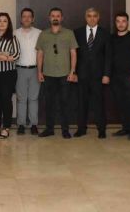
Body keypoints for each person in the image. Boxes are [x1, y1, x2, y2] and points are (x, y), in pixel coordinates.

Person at [36, 7, 78, 139]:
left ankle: (65, 130)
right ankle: (49, 129)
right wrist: (39, 72)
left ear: (62, 18)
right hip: (48, 74)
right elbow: (40, 53)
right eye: (53, 16)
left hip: (65, 74)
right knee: (49, 103)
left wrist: (72, 71)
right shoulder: (43, 34)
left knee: (65, 103)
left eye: (58, 16)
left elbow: (73, 53)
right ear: (49, 18)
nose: (55, 18)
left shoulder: (69, 33)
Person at [102, 12, 130, 140]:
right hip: (115, 76)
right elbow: (108, 57)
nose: (121, 24)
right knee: (120, 102)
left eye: (123, 21)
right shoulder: (111, 38)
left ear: (127, 22)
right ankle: (125, 127)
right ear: (115, 23)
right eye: (118, 21)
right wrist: (107, 75)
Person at [73, 7, 110, 138]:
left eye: (94, 16)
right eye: (89, 16)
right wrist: (74, 72)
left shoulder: (105, 33)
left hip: (98, 75)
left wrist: (106, 74)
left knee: (99, 103)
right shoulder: (77, 32)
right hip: (81, 74)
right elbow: (74, 54)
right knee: (81, 102)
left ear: (98, 17)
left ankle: (101, 129)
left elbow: (108, 55)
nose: (92, 18)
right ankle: (81, 129)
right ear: (85, 18)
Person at [14, 8, 42, 135]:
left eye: (29, 16)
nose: (26, 18)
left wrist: (40, 70)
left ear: (33, 19)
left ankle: (33, 124)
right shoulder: (14, 33)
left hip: (35, 69)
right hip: (19, 69)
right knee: (21, 99)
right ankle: (21, 124)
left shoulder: (39, 33)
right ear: (21, 19)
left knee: (33, 98)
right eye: (24, 16)